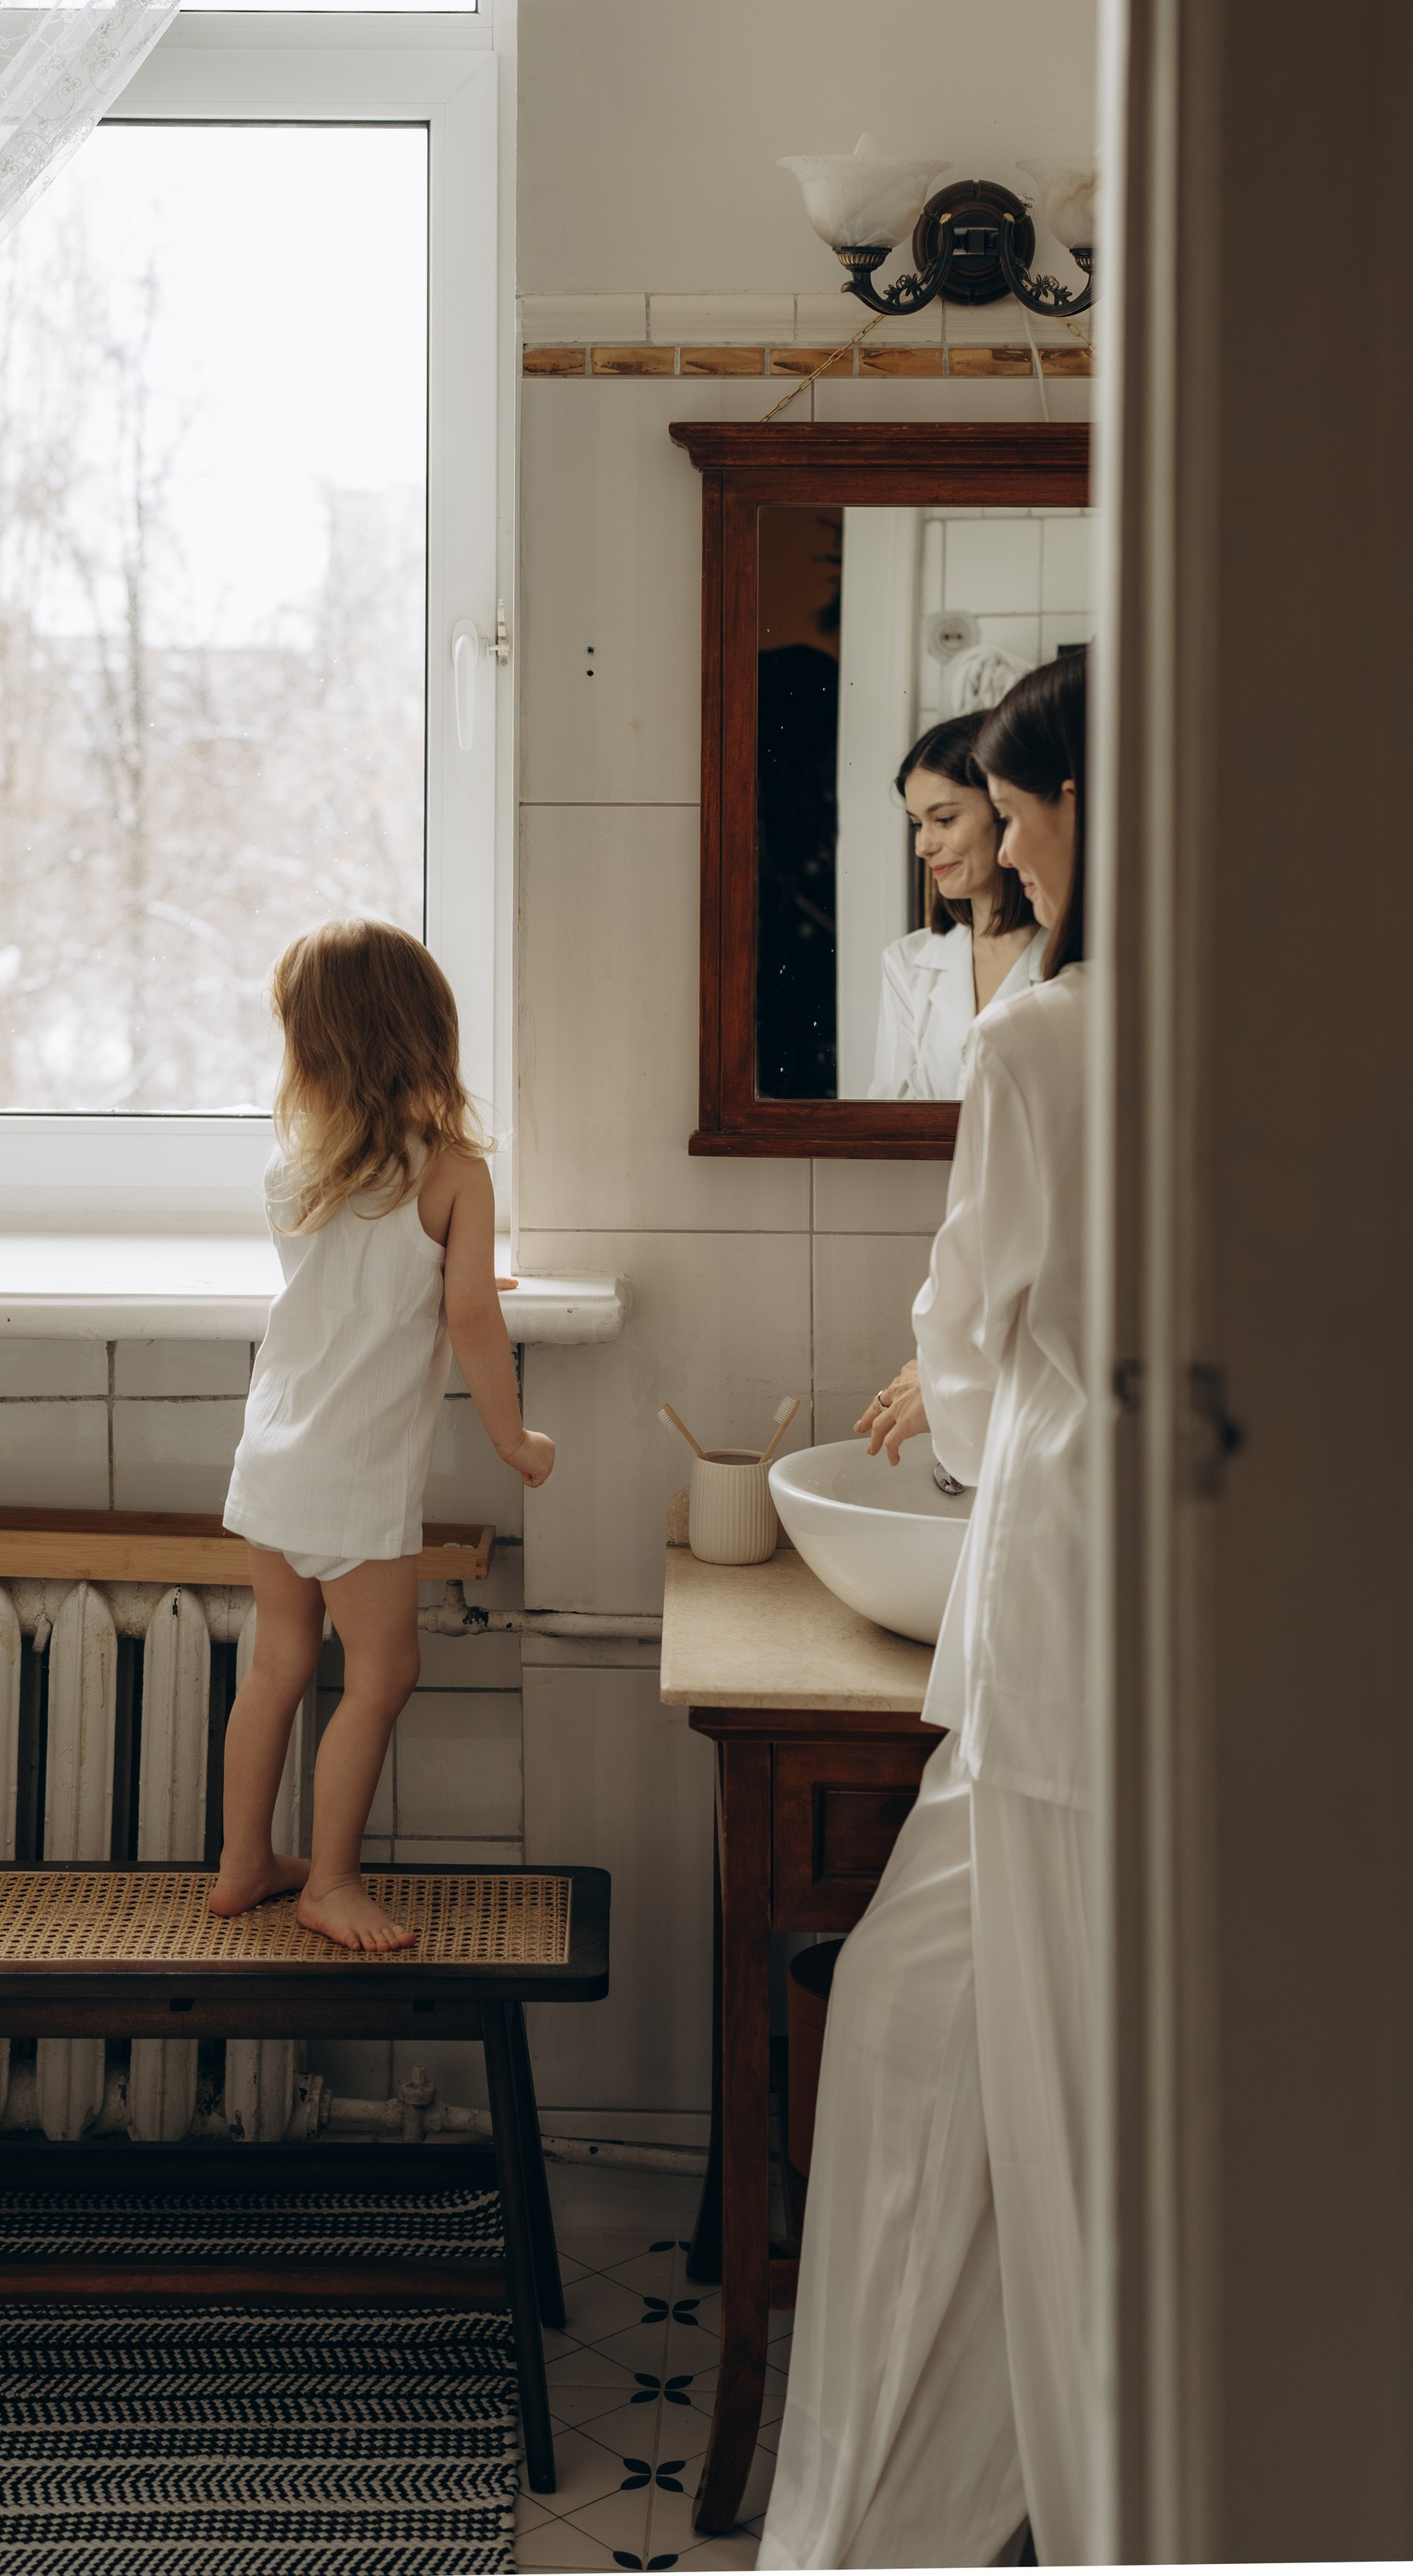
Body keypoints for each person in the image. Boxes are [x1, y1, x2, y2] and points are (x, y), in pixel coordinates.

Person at [761, 652, 1094, 2568]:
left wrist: (977, 1409)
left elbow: (966, 1356)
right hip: (1199, 1587)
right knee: (1083, 2038)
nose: (1003, 850)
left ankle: (904, 2507)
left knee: (927, 2020)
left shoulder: (1036, 1038)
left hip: (1063, 1570)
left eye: (1017, 805)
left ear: (1079, 807)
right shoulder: (1265, 1005)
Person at [210, 918, 555, 1956]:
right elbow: (470, 1319)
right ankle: (331, 1880)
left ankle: (240, 1866)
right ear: (428, 1033)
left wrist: (451, 1268)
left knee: (276, 1665)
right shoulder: (451, 1172)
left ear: (314, 1046)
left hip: (275, 1452)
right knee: (382, 1674)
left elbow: (363, 1279)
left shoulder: (297, 1167)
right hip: (357, 1480)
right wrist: (515, 1438)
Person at [865, 712, 1041, 1099]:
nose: (922, 846)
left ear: (1005, 812)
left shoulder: (1076, 960)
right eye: (917, 824)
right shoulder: (905, 966)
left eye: (943, 819)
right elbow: (886, 1123)